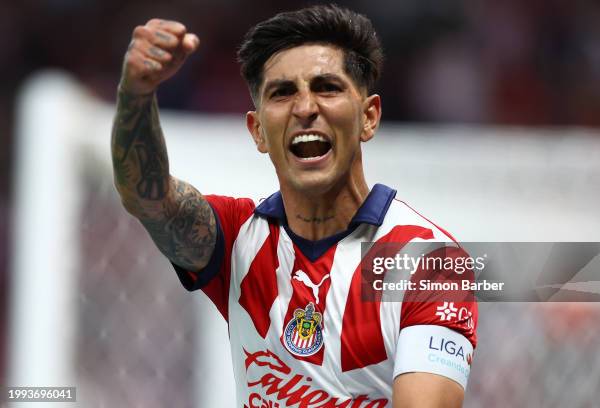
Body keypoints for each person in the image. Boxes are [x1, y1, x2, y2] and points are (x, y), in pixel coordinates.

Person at [111, 5, 477, 407]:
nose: (305, 108)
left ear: (369, 117)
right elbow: (146, 196)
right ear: (258, 131)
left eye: (327, 87)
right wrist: (137, 93)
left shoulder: (428, 261)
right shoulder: (237, 241)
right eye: (283, 93)